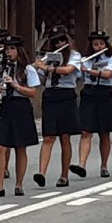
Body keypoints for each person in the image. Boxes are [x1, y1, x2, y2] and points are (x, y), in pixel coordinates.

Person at [0, 36, 40, 197]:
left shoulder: (27, 69)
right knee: (0, 146)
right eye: (7, 49)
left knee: (20, 146)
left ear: (19, 51)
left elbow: (33, 92)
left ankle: (19, 184)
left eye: (12, 49)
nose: (8, 52)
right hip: (4, 106)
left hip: (20, 107)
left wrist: (15, 85)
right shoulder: (0, 69)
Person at [32, 30, 84, 189]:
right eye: (56, 42)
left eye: (62, 40)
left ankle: (64, 175)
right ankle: (41, 173)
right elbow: (42, 79)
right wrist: (36, 69)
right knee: (48, 136)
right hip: (50, 95)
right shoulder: (48, 57)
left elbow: (68, 70)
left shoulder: (74, 55)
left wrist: (48, 68)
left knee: (65, 136)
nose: (59, 44)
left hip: (66, 95)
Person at [77, 31, 112, 178]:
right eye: (96, 44)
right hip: (89, 93)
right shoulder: (85, 59)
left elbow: (108, 74)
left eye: (101, 44)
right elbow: (78, 76)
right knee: (86, 131)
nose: (99, 46)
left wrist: (89, 71)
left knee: (104, 132)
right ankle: (81, 164)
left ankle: (104, 166)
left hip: (104, 93)